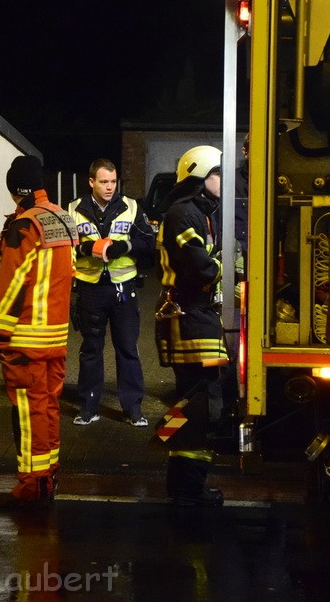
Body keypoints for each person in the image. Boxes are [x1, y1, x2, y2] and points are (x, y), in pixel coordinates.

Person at [0, 155, 77, 509]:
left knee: (28, 413)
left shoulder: (23, 225)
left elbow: (12, 284)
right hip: (55, 335)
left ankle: (31, 488)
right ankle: (48, 477)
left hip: (25, 336)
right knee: (48, 408)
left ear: (14, 189)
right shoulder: (62, 218)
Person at [154, 145, 229, 507]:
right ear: (200, 177)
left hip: (197, 315)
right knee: (202, 404)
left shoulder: (201, 213)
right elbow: (203, 268)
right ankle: (186, 486)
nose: (223, 182)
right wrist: (227, 267)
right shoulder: (184, 214)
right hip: (188, 316)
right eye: (218, 175)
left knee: (198, 401)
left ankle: (186, 482)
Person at [67, 158, 155, 426]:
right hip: (89, 288)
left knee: (127, 348)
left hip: (123, 288)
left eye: (113, 182)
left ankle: (133, 408)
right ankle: (89, 406)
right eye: (104, 182)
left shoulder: (131, 207)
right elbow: (64, 246)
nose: (110, 187)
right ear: (91, 182)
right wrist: (85, 249)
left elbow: (148, 242)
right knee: (91, 349)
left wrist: (123, 247)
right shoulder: (73, 209)